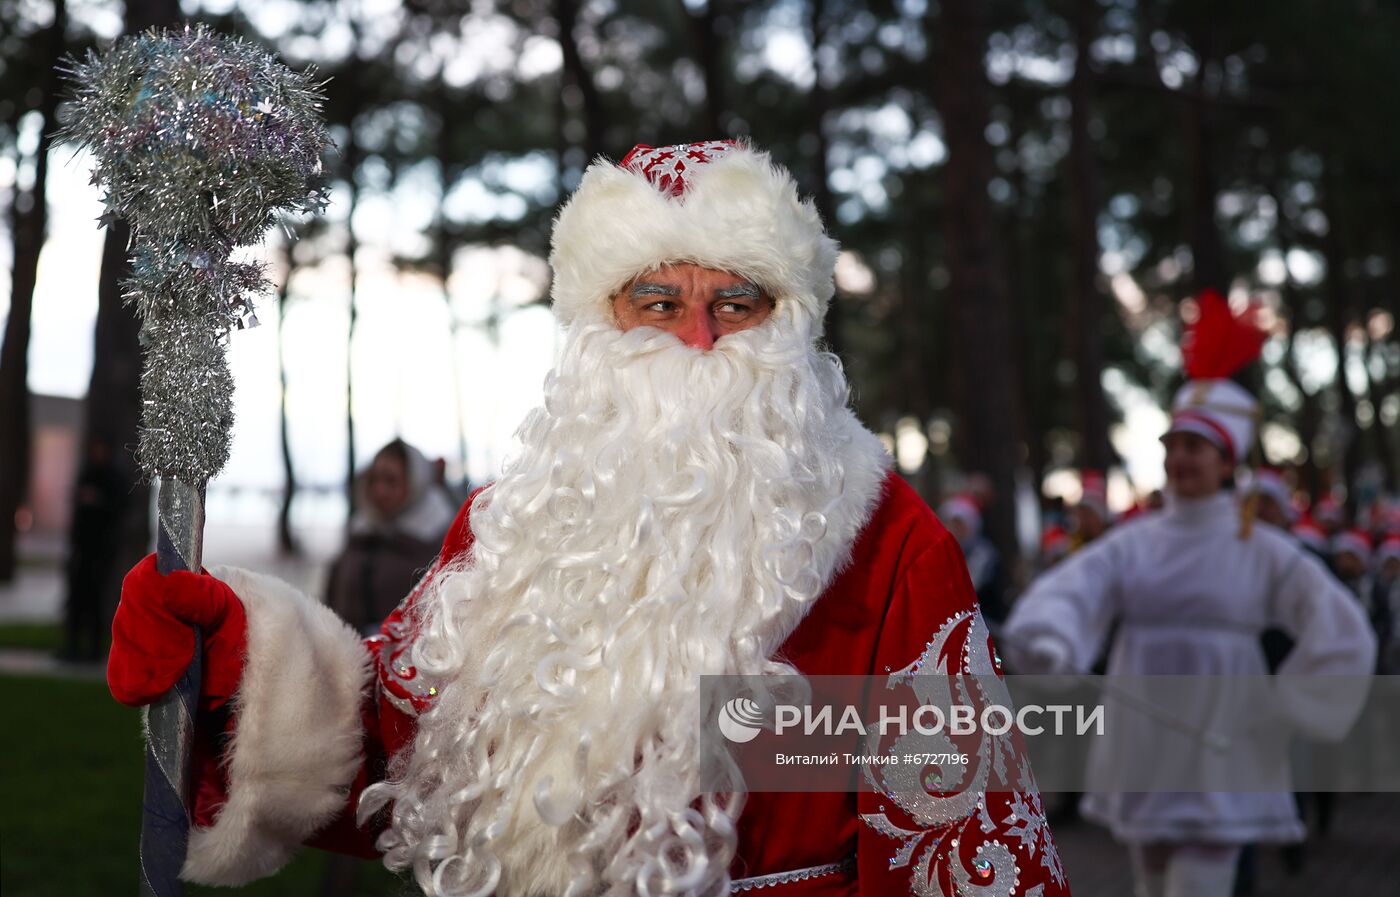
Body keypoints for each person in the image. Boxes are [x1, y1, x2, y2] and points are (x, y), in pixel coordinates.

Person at [105, 141, 1071, 897]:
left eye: (736, 302)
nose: (697, 338)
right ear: (599, 321)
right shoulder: (513, 525)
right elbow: (405, 755)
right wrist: (245, 662)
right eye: (657, 300)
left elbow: (956, 834)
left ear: (786, 326)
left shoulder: (890, 544)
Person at [1003, 289, 1375, 897]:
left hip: (1224, 735)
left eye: (1194, 447)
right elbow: (1074, 590)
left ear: (1228, 461)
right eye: (1172, 444)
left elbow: (1340, 630)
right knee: (1150, 881)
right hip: (1142, 733)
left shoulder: (1264, 548)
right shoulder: (1137, 540)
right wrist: (1050, 639)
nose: (1179, 458)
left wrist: (1287, 708)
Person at [325, 438, 457, 635]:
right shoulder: (362, 529)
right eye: (374, 480)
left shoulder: (439, 536)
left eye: (391, 481)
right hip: (351, 654)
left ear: (414, 482)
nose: (380, 490)